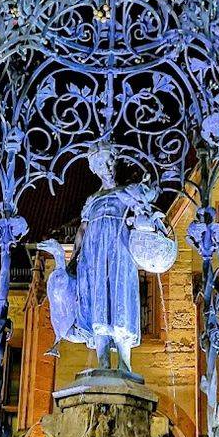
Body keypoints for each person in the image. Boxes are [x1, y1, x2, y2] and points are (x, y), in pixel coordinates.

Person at [73, 141, 156, 373]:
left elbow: (146, 202)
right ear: (95, 169)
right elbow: (82, 231)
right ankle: (102, 362)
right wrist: (73, 259)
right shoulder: (92, 200)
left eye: (110, 161)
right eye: (101, 164)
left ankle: (125, 362)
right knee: (99, 301)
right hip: (95, 254)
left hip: (120, 251)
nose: (107, 166)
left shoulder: (126, 192)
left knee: (121, 299)